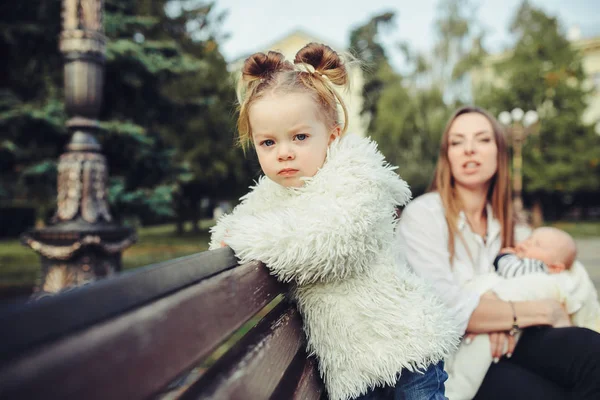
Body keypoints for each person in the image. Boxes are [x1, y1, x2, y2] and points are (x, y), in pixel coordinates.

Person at [209, 43, 459, 400]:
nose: (284, 152)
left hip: (407, 349)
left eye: (299, 137)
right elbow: (232, 229)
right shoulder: (272, 195)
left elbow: (329, 243)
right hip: (352, 366)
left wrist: (243, 236)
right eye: (268, 142)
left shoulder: (356, 177)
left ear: (332, 134)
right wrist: (226, 236)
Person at [397, 105, 600, 399]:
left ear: (499, 151)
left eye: (482, 139)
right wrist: (541, 311)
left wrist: (500, 319)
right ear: (447, 156)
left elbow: (552, 275)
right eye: (457, 142)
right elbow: (446, 309)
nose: (469, 149)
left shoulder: (513, 226)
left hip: (515, 341)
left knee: (592, 353)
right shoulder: (423, 216)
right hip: (455, 361)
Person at [494, 226, 577, 277]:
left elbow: (510, 270)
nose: (528, 243)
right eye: (529, 238)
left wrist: (506, 255)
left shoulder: (539, 268)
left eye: (537, 244)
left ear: (554, 268)